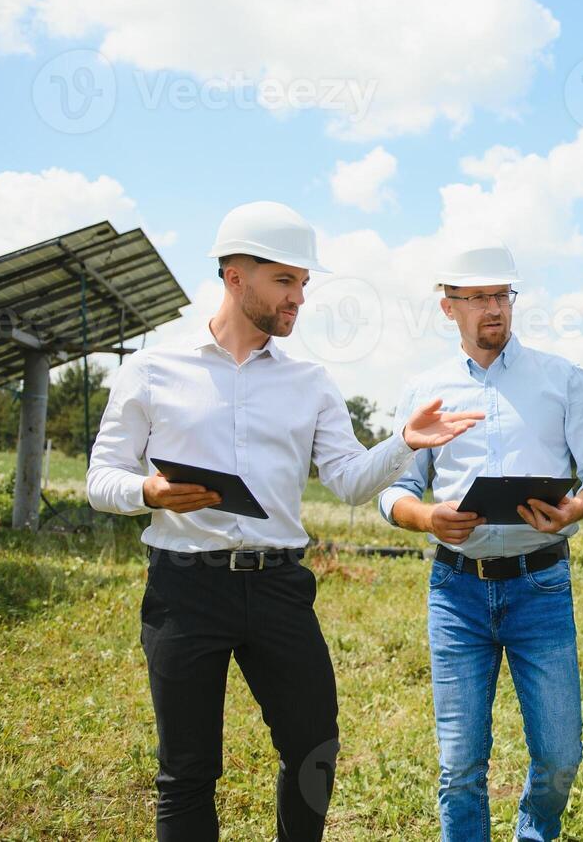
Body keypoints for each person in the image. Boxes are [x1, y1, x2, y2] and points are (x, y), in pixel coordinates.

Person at [87, 201, 483, 841]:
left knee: (314, 747)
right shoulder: (153, 370)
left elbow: (350, 479)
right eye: (285, 281)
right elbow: (99, 478)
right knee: (186, 770)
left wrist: (406, 442)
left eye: (304, 283)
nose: (299, 297)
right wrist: (150, 492)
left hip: (278, 588)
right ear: (234, 276)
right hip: (184, 589)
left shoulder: (311, 382)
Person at [379, 242, 583, 842]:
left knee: (561, 753)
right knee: (460, 765)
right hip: (456, 590)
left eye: (502, 296)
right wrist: (427, 518)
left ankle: (533, 830)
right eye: (479, 298)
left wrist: (575, 506)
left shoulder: (562, 379)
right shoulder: (424, 391)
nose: (494, 309)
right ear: (448, 308)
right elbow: (395, 491)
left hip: (540, 585)